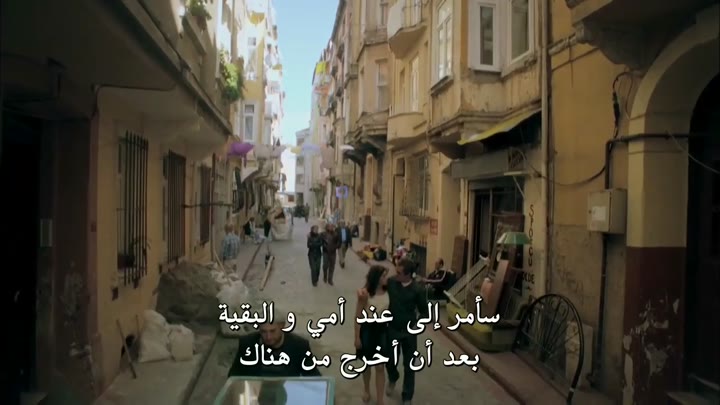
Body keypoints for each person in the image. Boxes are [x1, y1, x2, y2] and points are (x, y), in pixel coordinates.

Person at [227, 310, 321, 378]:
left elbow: (314, 377)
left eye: (272, 331)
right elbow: (234, 376)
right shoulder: (248, 344)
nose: (268, 337)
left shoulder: (299, 346)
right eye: (264, 332)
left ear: (282, 326)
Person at [385, 258, 427, 405]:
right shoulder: (391, 283)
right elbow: (377, 290)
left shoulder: (418, 290)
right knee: (389, 360)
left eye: (399, 273)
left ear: (408, 275)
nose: (395, 274)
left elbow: (424, 312)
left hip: (409, 332)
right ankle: (393, 377)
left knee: (409, 366)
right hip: (392, 329)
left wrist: (417, 325)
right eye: (395, 271)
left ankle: (407, 396)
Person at [355, 265, 390, 404]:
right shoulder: (365, 294)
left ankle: (380, 399)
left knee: (380, 367)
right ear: (377, 278)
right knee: (367, 364)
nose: (386, 278)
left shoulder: (389, 290)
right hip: (368, 330)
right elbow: (358, 316)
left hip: (382, 330)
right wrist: (356, 337)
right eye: (383, 276)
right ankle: (366, 389)